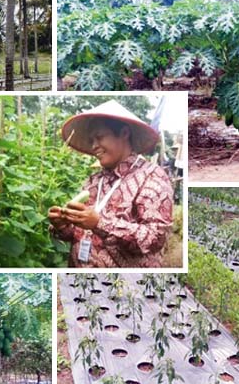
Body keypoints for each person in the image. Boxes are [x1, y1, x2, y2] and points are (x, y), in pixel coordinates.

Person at [48, 100, 174, 268]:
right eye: (91, 140)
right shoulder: (95, 181)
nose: (94, 146)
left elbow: (154, 238)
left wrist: (99, 223)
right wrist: (63, 225)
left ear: (123, 133)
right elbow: (79, 234)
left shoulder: (151, 176)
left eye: (99, 137)